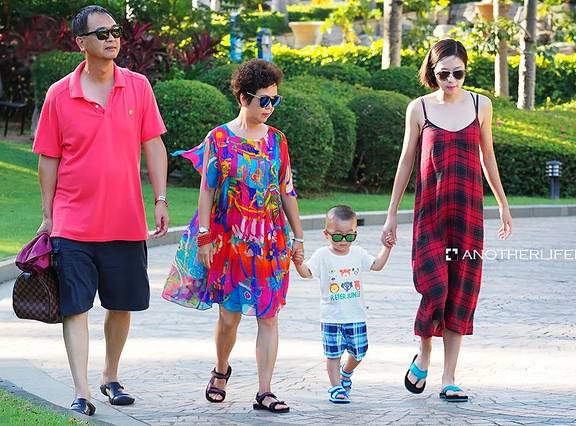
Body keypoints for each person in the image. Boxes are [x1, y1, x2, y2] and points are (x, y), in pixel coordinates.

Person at [33, 5, 169, 416]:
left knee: (121, 304)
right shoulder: (59, 94)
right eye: (102, 33)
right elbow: (48, 159)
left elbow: (153, 144)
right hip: (72, 222)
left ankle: (110, 376)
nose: (112, 39)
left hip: (126, 220)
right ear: (81, 43)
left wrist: (160, 199)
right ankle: (82, 391)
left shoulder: (138, 86)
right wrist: (48, 216)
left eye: (115, 31)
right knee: (75, 306)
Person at [162, 59, 303, 414]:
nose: (270, 107)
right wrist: (204, 236)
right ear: (243, 98)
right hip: (230, 242)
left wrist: (298, 237)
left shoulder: (277, 141)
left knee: (269, 315)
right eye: (264, 100)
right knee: (229, 317)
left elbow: (287, 190)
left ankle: (265, 390)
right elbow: (207, 190)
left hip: (270, 241)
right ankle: (221, 369)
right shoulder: (219, 138)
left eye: (275, 100)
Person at [382, 38, 513, 402]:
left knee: (460, 294)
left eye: (458, 73)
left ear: (465, 71)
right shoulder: (419, 108)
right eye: (443, 74)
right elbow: (406, 160)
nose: (451, 80)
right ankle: (424, 351)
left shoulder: (480, 105)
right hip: (430, 215)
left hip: (468, 215)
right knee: (434, 288)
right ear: (432, 72)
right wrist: (391, 214)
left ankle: (449, 377)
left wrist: (503, 203)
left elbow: (488, 156)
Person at [293, 205, 393, 403]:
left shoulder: (358, 253)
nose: (344, 241)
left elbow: (377, 265)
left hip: (356, 316)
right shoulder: (322, 255)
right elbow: (306, 273)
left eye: (350, 236)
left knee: (360, 352)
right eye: (338, 236)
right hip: (331, 317)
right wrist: (298, 263)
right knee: (333, 355)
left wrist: (387, 247)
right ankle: (336, 387)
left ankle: (346, 372)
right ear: (326, 234)